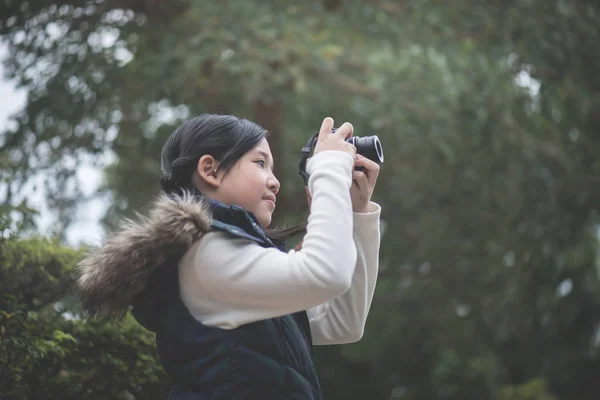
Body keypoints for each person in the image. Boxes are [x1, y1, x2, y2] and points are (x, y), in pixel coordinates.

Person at [76, 114, 382, 400]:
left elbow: (342, 322)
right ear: (210, 170)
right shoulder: (204, 254)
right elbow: (326, 273)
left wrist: (356, 212)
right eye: (260, 163)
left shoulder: (233, 260)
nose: (274, 181)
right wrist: (328, 168)